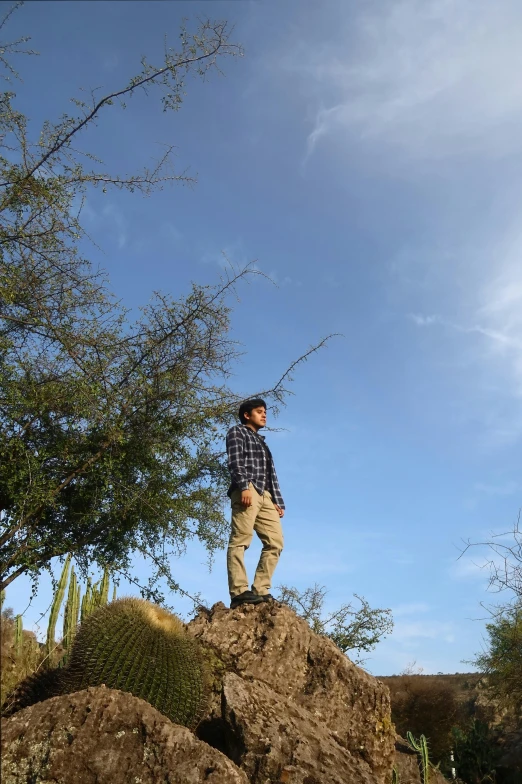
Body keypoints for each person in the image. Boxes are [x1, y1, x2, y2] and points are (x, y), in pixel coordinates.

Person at [226, 398, 285, 609]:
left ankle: (261, 589)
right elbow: (235, 461)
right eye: (259, 411)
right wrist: (243, 486)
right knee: (240, 539)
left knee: (275, 542)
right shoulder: (237, 432)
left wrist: (278, 502)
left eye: (265, 412)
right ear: (246, 415)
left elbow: (272, 475)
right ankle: (239, 591)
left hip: (265, 494)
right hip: (247, 488)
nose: (264, 415)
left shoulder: (263, 444)